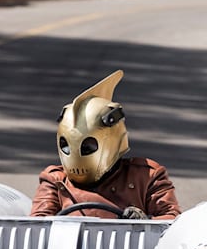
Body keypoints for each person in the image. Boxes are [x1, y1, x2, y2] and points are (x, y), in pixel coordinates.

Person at [30, 70, 182, 220]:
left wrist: (145, 222)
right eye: (67, 146)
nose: (77, 154)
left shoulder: (146, 176)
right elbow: (38, 224)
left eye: (88, 147)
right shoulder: (55, 180)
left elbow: (172, 219)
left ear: (111, 140)